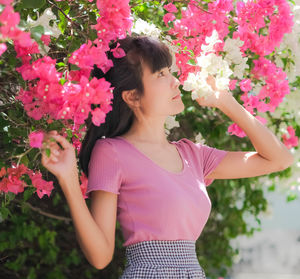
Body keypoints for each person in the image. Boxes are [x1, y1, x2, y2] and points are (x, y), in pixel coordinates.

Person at [41, 35, 294, 278]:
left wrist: (227, 102)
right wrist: (69, 181)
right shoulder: (112, 153)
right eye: (161, 74)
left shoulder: (193, 155)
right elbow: (100, 257)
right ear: (132, 96)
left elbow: (279, 160)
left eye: (170, 71)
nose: (174, 81)